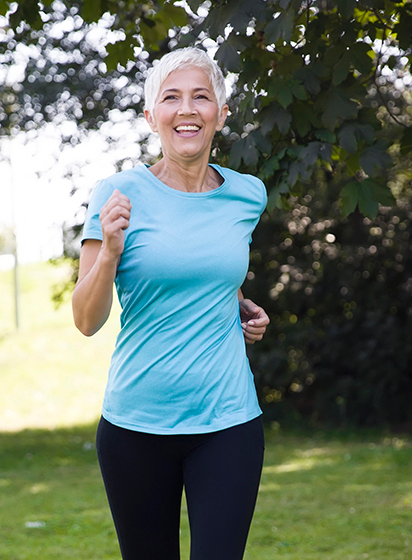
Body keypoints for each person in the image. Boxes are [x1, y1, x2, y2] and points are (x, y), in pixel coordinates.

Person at [72, 46, 270, 560]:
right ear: (151, 115)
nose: (187, 109)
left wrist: (244, 307)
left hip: (228, 421)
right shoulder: (117, 193)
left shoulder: (247, 195)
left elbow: (216, 274)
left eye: (201, 97)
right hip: (136, 426)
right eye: (172, 98)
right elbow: (86, 320)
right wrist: (111, 252)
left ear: (220, 114)